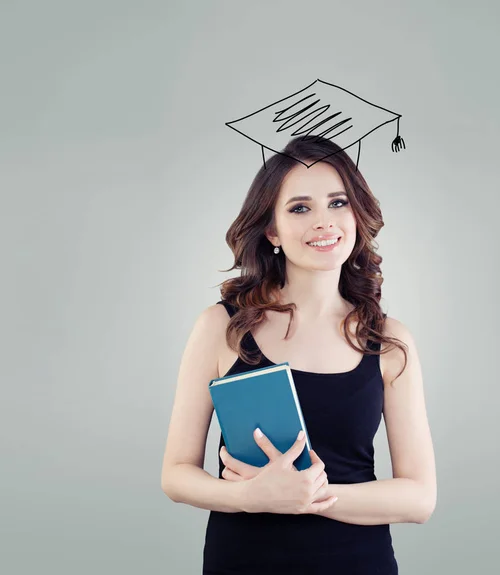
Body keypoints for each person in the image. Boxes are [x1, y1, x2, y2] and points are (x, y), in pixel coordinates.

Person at [161, 135, 437, 574]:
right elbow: (175, 474)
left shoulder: (387, 341)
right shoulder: (221, 327)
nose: (324, 222)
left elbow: (419, 498)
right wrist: (247, 498)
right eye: (300, 208)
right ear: (272, 230)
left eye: (339, 202)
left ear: (357, 213)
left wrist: (306, 498)